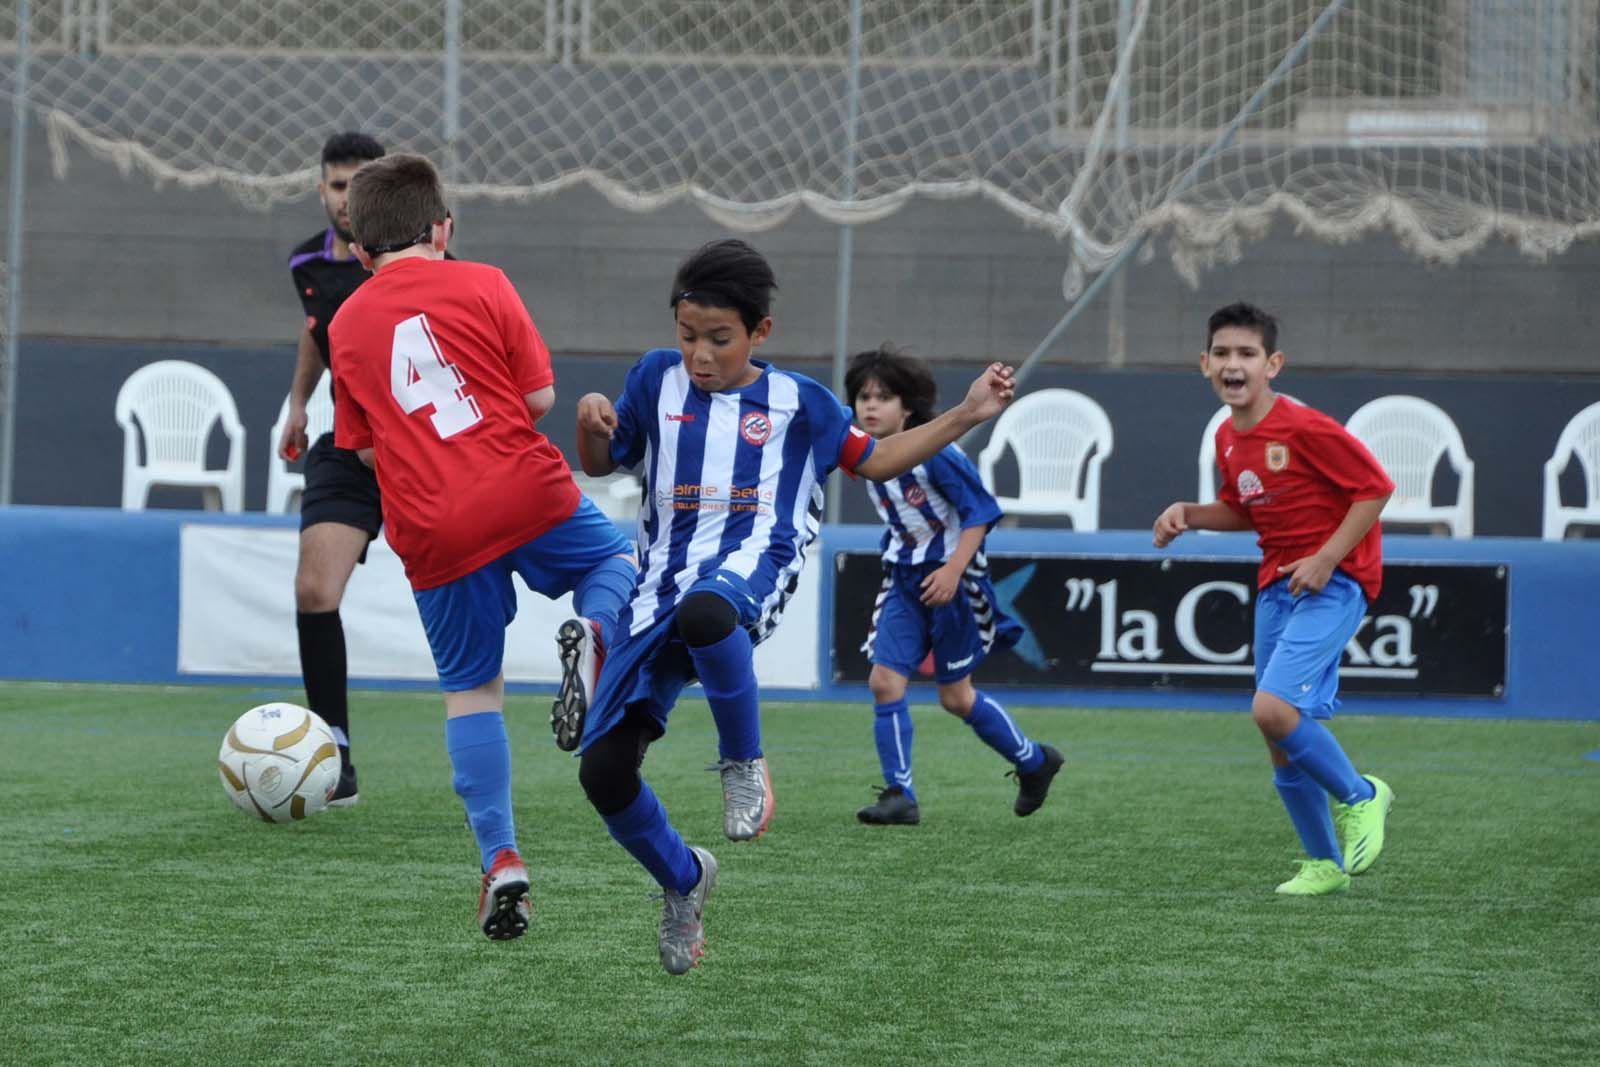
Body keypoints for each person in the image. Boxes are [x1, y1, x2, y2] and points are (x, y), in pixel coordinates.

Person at [571, 238, 1017, 973]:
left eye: (719, 339)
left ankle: (744, 759)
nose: (700, 355)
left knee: (710, 615)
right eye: (688, 336)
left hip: (752, 566)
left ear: (759, 333)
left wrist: (968, 411)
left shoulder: (799, 402)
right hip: (659, 588)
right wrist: (592, 423)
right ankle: (684, 880)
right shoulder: (655, 378)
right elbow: (602, 459)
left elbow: (874, 458)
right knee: (604, 775)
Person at [329, 153, 637, 940]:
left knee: (472, 688)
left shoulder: (346, 323)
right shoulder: (484, 281)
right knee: (613, 563)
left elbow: (361, 448)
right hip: (520, 484)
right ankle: (595, 637)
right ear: (444, 229)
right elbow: (537, 399)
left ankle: (502, 860)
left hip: (431, 521)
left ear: (361, 251)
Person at [1152, 301, 1396, 896]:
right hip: (1276, 585)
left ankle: (1363, 795)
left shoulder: (1304, 427)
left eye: (1248, 354)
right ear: (1204, 364)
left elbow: (1376, 489)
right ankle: (1324, 865)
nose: (1234, 365)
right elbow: (1244, 507)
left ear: (1273, 364)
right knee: (1279, 733)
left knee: (1271, 709)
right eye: (1223, 354)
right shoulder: (1227, 437)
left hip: (1335, 581)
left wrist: (1326, 558)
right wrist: (1190, 512)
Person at [844, 344, 1063, 827]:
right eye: (863, 396)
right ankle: (900, 795)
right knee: (884, 682)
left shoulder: (937, 453)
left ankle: (1034, 762)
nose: (870, 406)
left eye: (883, 397)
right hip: (903, 581)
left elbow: (981, 511)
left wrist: (953, 571)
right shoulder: (862, 451)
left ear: (908, 407)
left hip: (955, 584)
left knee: (955, 697)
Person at [277, 131, 387, 807]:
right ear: (321, 189)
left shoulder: (424, 265)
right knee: (315, 590)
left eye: (360, 185)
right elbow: (316, 329)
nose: (348, 198)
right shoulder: (305, 263)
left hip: (416, 455)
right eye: (338, 184)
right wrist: (297, 402)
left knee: (468, 602)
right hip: (348, 450)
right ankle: (335, 748)